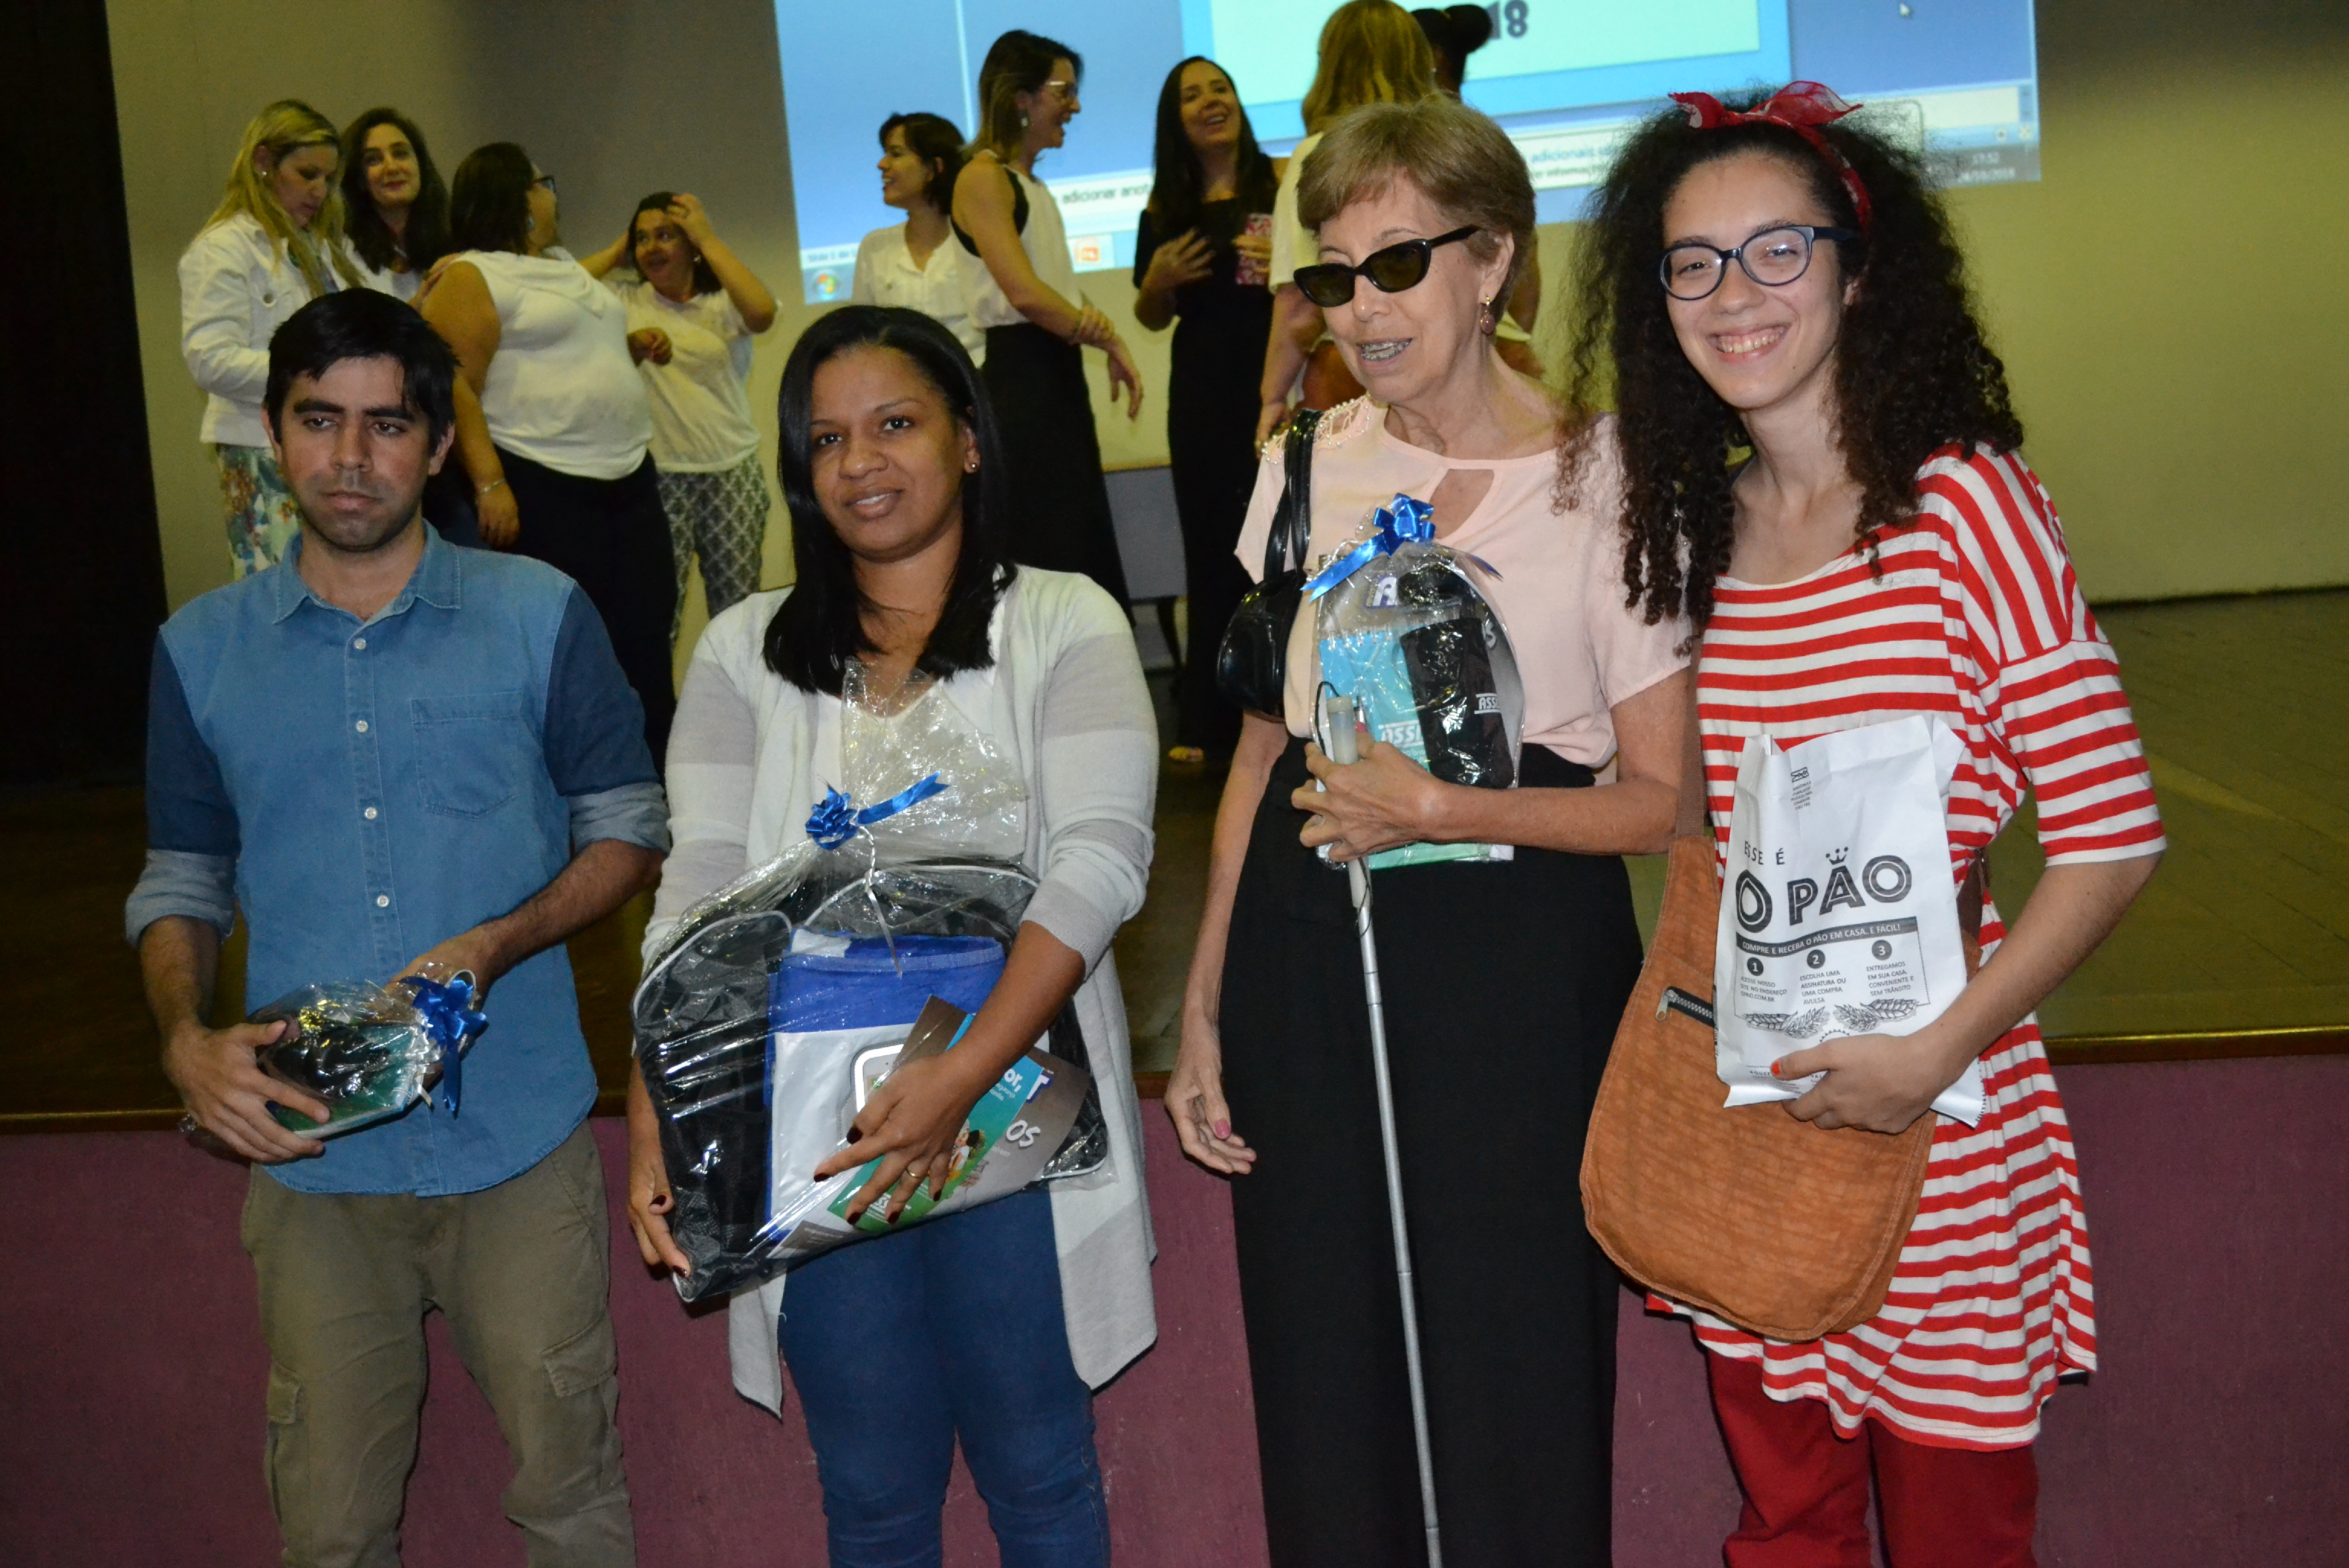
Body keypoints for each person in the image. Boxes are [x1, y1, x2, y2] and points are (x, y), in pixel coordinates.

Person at [1561, 83, 2165, 1565]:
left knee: (1960, 1530)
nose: (1735, 294)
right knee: (1789, 1523)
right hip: (1752, 1111)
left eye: (1778, 249)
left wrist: (1933, 1053)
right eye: (1693, 263)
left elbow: (2113, 836)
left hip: (1938, 1115)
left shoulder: (1967, 507)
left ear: (1857, 268)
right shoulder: (1695, 534)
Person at [1167, 96, 1691, 1566]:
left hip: (1514, 966)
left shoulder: (1608, 476)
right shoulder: (1303, 461)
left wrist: (1441, 806)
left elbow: (1666, 800)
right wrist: (1202, 1004)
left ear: (1491, 259)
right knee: (1324, 1359)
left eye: (1396, 264)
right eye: (1331, 276)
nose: (1362, 308)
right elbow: (1259, 750)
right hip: (1304, 957)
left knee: (1514, 1351)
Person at [130, 288, 664, 1566]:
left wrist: (497, 941)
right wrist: (184, 1037)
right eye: (320, 419)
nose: (352, 456)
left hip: (517, 1135)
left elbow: (628, 830)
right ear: (275, 432)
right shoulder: (201, 651)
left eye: (388, 423)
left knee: (571, 1501)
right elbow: (182, 877)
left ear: (436, 444)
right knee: (329, 1526)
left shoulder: (539, 612)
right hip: (311, 1156)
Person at [626, 305, 1157, 1568]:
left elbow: (1100, 864)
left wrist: (961, 1074)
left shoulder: (1064, 619)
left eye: (896, 424)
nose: (861, 461)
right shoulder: (743, 652)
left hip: (1014, 1081)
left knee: (1041, 1470)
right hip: (813, 1113)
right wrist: (658, 1107)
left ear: (968, 440)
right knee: (870, 1492)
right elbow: (696, 893)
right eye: (827, 440)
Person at [423, 143, 677, 758]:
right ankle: (583, 790)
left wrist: (626, 346)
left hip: (628, 479)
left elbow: (571, 340)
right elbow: (452, 383)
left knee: (645, 635)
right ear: (515, 196)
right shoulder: (469, 274)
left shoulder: (561, 264)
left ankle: (655, 786)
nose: (553, 194)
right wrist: (489, 483)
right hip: (545, 483)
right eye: (545, 183)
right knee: (571, 646)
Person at [950, 29, 1143, 604]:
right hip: (1020, 381)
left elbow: (1057, 291)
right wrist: (1108, 341)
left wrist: (1101, 333)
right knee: (1044, 538)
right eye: (1064, 92)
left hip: (1054, 376)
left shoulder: (1032, 186)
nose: (1074, 107)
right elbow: (1026, 294)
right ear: (1021, 97)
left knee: (1077, 530)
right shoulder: (983, 177)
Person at [1132, 57, 1282, 765]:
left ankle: (1284, 702)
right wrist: (1157, 281)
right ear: (1176, 119)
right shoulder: (1164, 210)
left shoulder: (1280, 181)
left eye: (1219, 88)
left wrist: (1287, 259)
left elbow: (1321, 275)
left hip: (1273, 380)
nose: (1210, 102)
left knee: (1280, 541)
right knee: (1212, 548)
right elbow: (1150, 315)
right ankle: (1209, 719)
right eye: (1192, 96)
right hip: (1199, 392)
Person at [179, 99, 364, 576]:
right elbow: (210, 360)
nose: (320, 191)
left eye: (328, 179)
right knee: (282, 590)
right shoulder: (223, 248)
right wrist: (314, 374)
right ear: (263, 162)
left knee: (340, 582)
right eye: (307, 174)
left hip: (328, 444)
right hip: (260, 449)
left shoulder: (327, 249)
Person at [582, 191, 779, 636]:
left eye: (666, 236)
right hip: (658, 480)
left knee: (738, 621)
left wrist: (707, 238)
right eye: (643, 239)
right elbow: (557, 291)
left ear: (691, 244)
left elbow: (763, 312)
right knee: (657, 620)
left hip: (731, 474)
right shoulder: (622, 300)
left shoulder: (722, 303)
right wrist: (617, 252)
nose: (653, 248)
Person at [1255, 1, 1438, 444]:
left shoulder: (1320, 157)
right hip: (1479, 365)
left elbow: (1301, 309)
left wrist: (1272, 399)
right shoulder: (1454, 151)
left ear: (1330, 66)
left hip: (1363, 378)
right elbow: (1523, 282)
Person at [852, 112, 984, 362]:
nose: (882, 164)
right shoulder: (875, 247)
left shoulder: (978, 241)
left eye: (896, 154)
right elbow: (863, 338)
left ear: (934, 168)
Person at [339, 107, 452, 299]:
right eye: (373, 160)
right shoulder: (342, 256)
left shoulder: (454, 245)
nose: (391, 168)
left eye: (400, 154)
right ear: (358, 177)